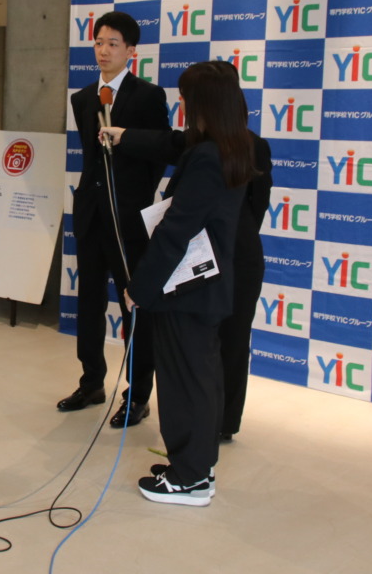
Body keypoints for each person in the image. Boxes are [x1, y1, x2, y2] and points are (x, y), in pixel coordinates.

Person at [104, 74, 272, 445]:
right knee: (196, 358)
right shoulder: (201, 142)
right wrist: (123, 135)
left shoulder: (247, 147)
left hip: (237, 260)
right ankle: (199, 438)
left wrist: (228, 238)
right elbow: (165, 142)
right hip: (199, 262)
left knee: (230, 343)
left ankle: (220, 426)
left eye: (187, 98)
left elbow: (257, 205)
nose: (182, 105)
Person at [120, 60, 256, 506]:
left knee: (185, 383)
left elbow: (176, 231)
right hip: (206, 288)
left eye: (187, 98)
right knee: (201, 378)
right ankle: (196, 468)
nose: (183, 105)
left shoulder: (207, 157)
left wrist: (140, 288)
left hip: (187, 291)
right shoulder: (233, 147)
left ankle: (190, 479)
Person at [60, 10, 169, 427]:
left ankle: (137, 395)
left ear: (131, 50)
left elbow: (161, 151)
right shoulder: (82, 98)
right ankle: (91, 382)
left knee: (134, 305)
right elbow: (91, 159)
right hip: (90, 214)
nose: (103, 51)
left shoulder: (148, 96)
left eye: (112, 44)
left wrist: (134, 198)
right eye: (98, 42)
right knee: (88, 301)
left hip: (128, 219)